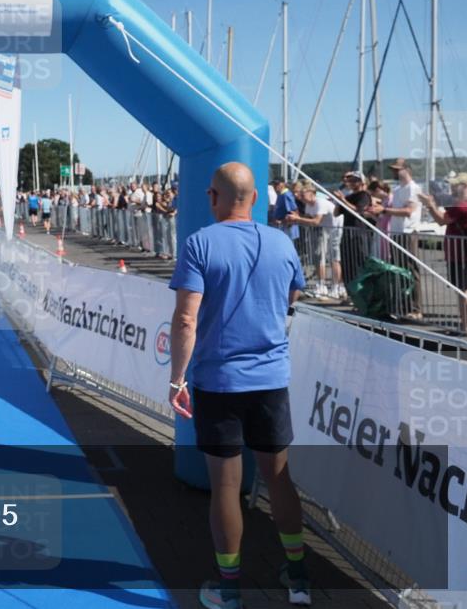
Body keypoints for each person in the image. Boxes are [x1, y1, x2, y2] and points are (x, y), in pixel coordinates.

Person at [168, 163, 309, 609]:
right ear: (255, 198)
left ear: (213, 197)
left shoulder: (200, 243)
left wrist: (176, 377)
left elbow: (186, 318)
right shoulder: (281, 242)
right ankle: (299, 578)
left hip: (220, 380)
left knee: (226, 486)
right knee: (278, 477)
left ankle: (230, 589)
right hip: (270, 378)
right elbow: (291, 299)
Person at [420, 173, 467, 332]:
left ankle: (465, 326)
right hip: (459, 253)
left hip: (460, 255)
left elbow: (441, 220)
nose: (453, 188)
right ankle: (464, 326)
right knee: (462, 291)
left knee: (462, 292)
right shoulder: (460, 205)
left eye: (456, 186)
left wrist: (429, 205)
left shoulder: (461, 207)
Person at [381, 158, 423, 318]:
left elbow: (409, 211)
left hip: (408, 231)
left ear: (406, 170)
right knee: (400, 269)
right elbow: (396, 210)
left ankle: (416, 308)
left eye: (397, 169)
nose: (395, 172)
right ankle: (404, 306)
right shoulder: (398, 189)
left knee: (411, 269)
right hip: (397, 232)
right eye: (394, 170)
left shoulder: (413, 188)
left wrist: (385, 210)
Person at [334, 171, 375, 293]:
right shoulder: (348, 196)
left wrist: (343, 200)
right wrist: (339, 201)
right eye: (349, 180)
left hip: (359, 234)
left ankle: (362, 293)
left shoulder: (364, 195)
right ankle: (351, 293)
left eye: (354, 180)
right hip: (347, 234)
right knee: (348, 265)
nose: (350, 183)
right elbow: (336, 213)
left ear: (361, 182)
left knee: (359, 264)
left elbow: (358, 210)